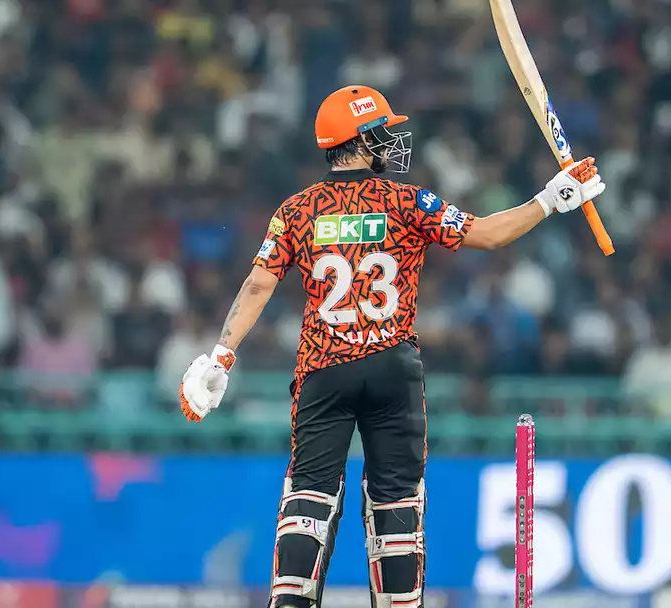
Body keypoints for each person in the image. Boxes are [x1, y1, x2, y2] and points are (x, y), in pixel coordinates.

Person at [178, 85, 606, 608]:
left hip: (324, 369)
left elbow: (257, 285)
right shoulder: (407, 201)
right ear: (360, 140)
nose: (391, 142)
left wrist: (222, 355)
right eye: (381, 132)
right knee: (396, 501)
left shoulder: (296, 210)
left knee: (309, 496)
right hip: (392, 367)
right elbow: (488, 235)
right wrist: (550, 199)